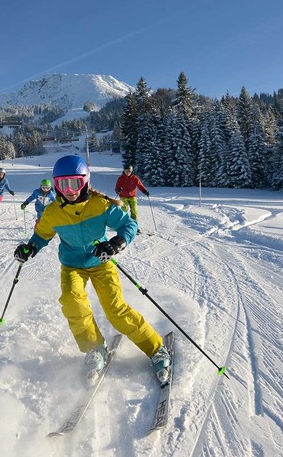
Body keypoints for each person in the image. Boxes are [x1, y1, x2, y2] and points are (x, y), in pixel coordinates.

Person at [13, 155, 170, 387]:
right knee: (72, 302)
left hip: (101, 263)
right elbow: (41, 235)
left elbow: (129, 225)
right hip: (72, 266)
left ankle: (156, 348)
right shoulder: (53, 212)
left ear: (85, 181)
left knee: (115, 310)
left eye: (75, 183)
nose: (70, 190)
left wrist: (116, 243)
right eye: (63, 184)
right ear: (56, 185)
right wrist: (30, 248)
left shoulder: (100, 204)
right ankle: (95, 349)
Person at [114, 165, 150, 233]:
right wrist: (118, 190)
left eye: (129, 171)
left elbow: (140, 185)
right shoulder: (121, 178)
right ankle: (122, 225)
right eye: (126, 171)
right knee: (124, 209)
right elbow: (117, 188)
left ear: (131, 171)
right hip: (123, 196)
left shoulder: (135, 178)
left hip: (132, 196)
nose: (128, 173)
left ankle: (134, 226)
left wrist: (145, 191)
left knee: (134, 211)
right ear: (124, 171)